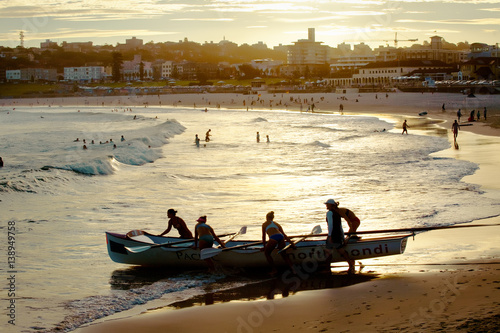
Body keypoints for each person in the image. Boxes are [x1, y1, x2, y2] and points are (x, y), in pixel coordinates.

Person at [324, 199, 355, 274]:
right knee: (340, 250)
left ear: (331, 205)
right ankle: (351, 265)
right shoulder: (337, 213)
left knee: (328, 252)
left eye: (327, 204)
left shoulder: (329, 213)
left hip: (333, 235)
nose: (326, 205)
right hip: (338, 234)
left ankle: (327, 269)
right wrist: (343, 236)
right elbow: (340, 226)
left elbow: (330, 225)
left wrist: (330, 236)